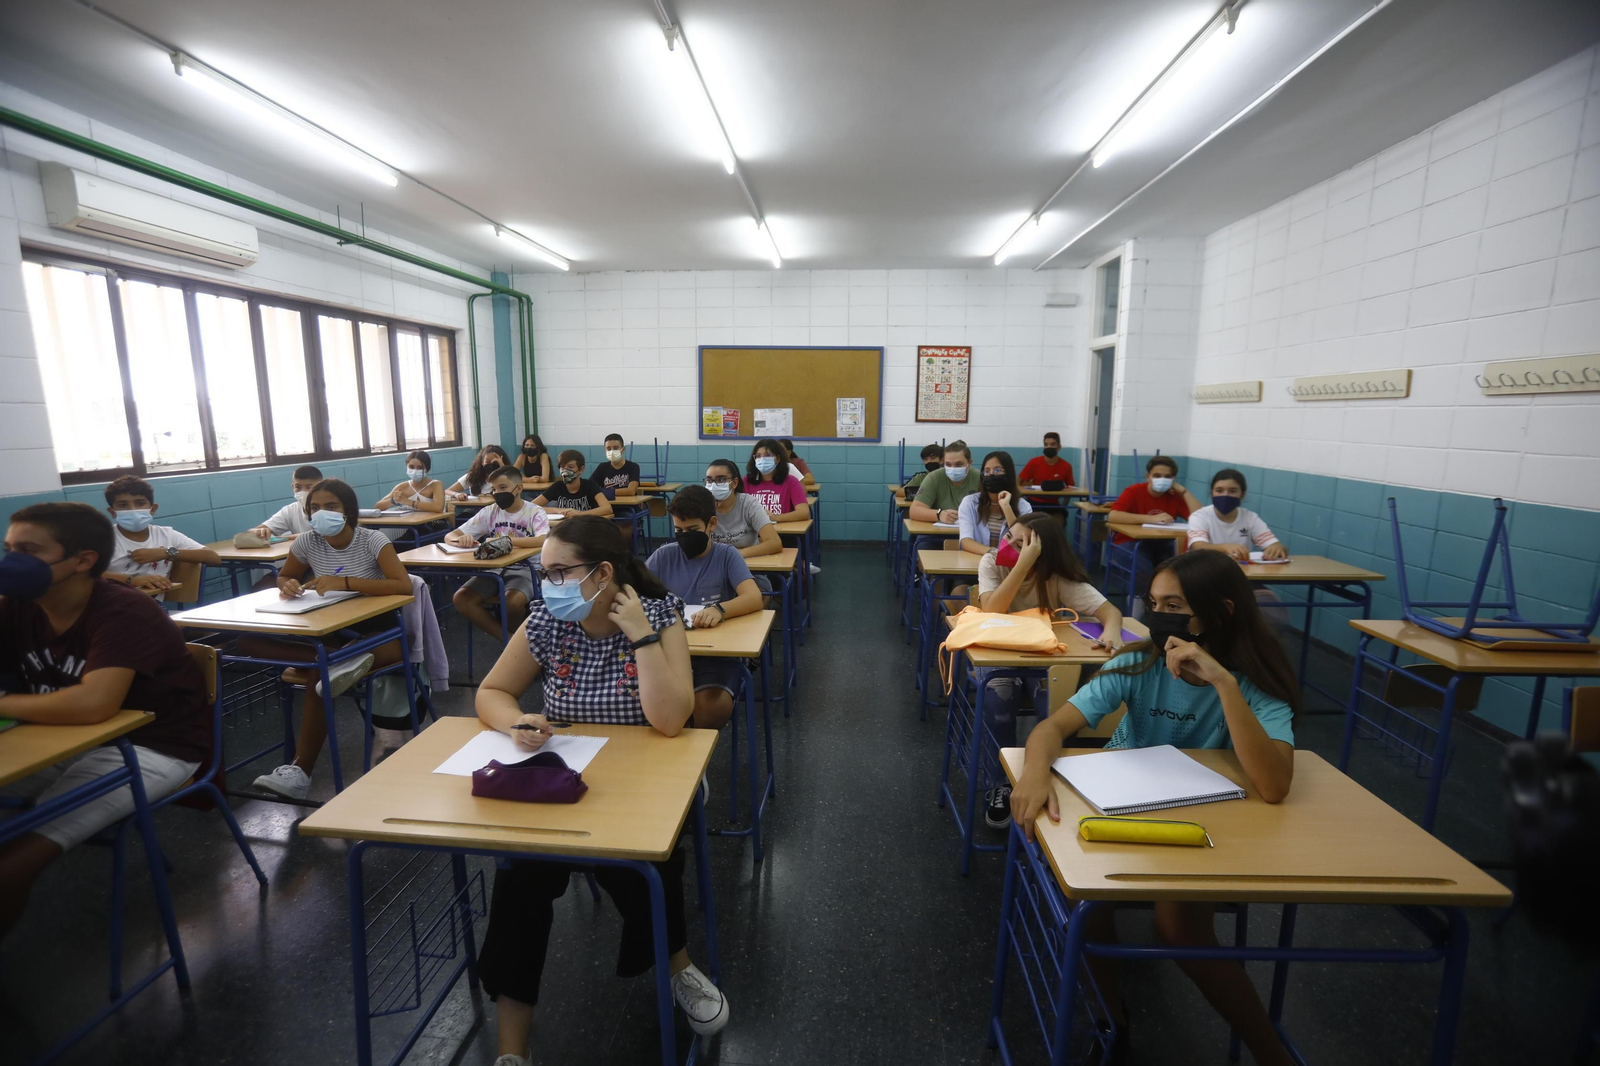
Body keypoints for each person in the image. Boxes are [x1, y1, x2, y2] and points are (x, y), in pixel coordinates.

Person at [1009, 550, 1299, 1066]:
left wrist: (1224, 685)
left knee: (1180, 928)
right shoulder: (1137, 660)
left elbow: (1274, 785)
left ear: (1221, 611)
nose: (1158, 614)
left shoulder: (1255, 680)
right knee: (1087, 901)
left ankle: (1270, 1053)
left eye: (1173, 604)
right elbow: (1054, 728)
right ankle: (1112, 1021)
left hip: (1206, 817)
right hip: (1122, 802)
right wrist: (1034, 771)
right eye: (1153, 602)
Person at [474, 516, 729, 1065]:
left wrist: (640, 635)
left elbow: (669, 721)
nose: (549, 585)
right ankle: (511, 1051)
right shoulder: (546, 620)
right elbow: (493, 690)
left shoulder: (659, 616)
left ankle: (677, 966)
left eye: (560, 571)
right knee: (519, 879)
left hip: (643, 777)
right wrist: (514, 722)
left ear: (603, 572)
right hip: (567, 777)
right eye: (544, 573)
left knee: (644, 871)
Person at [0, 503, 210, 940]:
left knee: (11, 865)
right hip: (60, 738)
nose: (12, 561)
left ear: (84, 560)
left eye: (29, 550)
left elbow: (95, 705)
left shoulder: (122, 610)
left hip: (152, 746)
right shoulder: (17, 607)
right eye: (8, 549)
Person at [245, 479, 415, 801]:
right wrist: (289, 584)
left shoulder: (372, 540)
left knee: (318, 672)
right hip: (332, 630)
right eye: (315, 508)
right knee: (245, 643)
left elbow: (403, 585)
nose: (322, 513)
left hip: (379, 631)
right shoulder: (308, 542)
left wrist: (346, 581)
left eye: (331, 507)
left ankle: (299, 770)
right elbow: (284, 575)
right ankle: (339, 661)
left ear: (348, 510)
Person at [975, 512, 1124, 827]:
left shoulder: (1056, 577)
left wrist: (1111, 630)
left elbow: (1109, 611)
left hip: (1044, 660)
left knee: (1053, 703)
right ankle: (1000, 784)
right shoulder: (991, 563)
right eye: (1009, 539)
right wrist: (1021, 563)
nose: (1008, 546)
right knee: (998, 698)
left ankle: (1043, 777)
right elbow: (992, 610)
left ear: (1041, 553)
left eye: (1021, 544)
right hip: (998, 658)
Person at [646, 486, 763, 731]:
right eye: (678, 530)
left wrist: (719, 610)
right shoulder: (663, 556)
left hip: (714, 657)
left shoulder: (727, 556)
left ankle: (693, 758)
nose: (684, 536)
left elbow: (753, 597)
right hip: (666, 654)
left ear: (711, 524)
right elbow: (635, 596)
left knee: (709, 709)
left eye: (692, 530)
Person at [445, 465, 549, 640]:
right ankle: (508, 641)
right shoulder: (490, 512)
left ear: (519, 489)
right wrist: (459, 540)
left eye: (502, 488)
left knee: (511, 602)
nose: (497, 493)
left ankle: (514, 646)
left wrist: (506, 541)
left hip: (526, 569)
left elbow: (542, 540)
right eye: (493, 489)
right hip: (494, 570)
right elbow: (450, 536)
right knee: (461, 599)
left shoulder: (534, 512)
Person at [1106, 455, 1202, 615]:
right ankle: (1137, 614)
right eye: (1157, 476)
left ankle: (1165, 608)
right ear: (1148, 477)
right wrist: (1151, 519)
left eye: (1168, 477)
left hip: (1160, 543)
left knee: (1176, 567)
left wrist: (1183, 491)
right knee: (1143, 568)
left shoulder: (1174, 496)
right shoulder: (1133, 491)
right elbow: (1113, 516)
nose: (1162, 479)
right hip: (1130, 542)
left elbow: (1201, 516)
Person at [101, 475, 220, 602]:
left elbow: (213, 558)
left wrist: (165, 553)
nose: (133, 510)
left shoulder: (166, 534)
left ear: (153, 509)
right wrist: (132, 580)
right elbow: (87, 576)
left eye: (140, 503)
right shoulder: (103, 538)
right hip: (114, 608)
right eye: (123, 505)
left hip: (154, 608)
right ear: (112, 512)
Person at [1186, 469, 1287, 561]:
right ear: (1212, 493)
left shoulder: (1250, 517)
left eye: (1232, 491)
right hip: (1207, 571)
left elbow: (1275, 544)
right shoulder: (1200, 516)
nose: (1225, 495)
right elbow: (1198, 547)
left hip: (1241, 571)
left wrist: (1275, 548)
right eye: (1219, 490)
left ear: (1242, 495)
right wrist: (1226, 547)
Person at [958, 451, 1030, 555]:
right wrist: (994, 553)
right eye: (986, 471)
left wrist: (1006, 507)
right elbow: (966, 541)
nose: (991, 474)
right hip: (977, 562)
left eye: (997, 470)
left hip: (1011, 565)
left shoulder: (1023, 506)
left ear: (1008, 474)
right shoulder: (970, 502)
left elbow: (1022, 540)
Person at [909, 440, 981, 524]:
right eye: (948, 464)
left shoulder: (978, 477)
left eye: (959, 465)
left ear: (969, 463)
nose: (953, 468)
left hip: (970, 530)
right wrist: (939, 515)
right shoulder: (934, 477)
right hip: (937, 532)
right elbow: (914, 510)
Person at [245, 464, 322, 540]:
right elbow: (251, 532)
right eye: (298, 487)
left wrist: (298, 537)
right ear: (293, 487)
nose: (303, 492)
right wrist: (260, 532)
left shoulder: (328, 509)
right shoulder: (290, 510)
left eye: (309, 487)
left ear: (320, 487)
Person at [744, 439, 810, 522]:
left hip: (782, 531)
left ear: (778, 458)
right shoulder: (747, 481)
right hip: (753, 531)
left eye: (768, 455)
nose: (762, 459)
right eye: (758, 456)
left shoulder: (791, 481)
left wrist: (775, 517)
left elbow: (804, 512)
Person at [532, 451, 613, 517]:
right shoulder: (557, 486)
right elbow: (532, 506)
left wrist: (580, 514)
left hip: (586, 527)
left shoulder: (590, 485)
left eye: (570, 467)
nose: (565, 471)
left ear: (581, 470)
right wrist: (559, 510)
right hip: (564, 528)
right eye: (562, 467)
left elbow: (607, 508)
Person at [594, 433, 641, 541]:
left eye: (615, 448)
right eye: (608, 448)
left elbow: (631, 491)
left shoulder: (633, 467)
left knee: (624, 525)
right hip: (606, 508)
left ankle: (622, 553)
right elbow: (592, 488)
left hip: (628, 508)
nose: (611, 451)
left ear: (622, 450)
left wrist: (606, 492)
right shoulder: (602, 467)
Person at [375, 450, 446, 514]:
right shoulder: (402, 487)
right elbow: (377, 507)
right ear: (406, 466)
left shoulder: (436, 485)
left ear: (427, 469)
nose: (415, 470)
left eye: (419, 468)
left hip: (432, 524)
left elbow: (438, 507)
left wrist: (409, 502)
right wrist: (393, 500)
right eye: (411, 467)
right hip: (410, 524)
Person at [448, 445, 514, 500]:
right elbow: (447, 491)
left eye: (495, 462)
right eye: (487, 462)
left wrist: (502, 468)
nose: (491, 465)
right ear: (482, 462)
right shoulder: (473, 476)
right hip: (475, 511)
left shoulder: (506, 477)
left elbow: (511, 490)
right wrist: (456, 494)